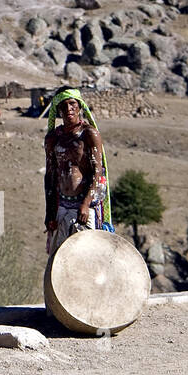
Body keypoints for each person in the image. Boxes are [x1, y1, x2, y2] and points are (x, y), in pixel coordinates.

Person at [44, 86, 114, 256]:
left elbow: (98, 172)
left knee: (88, 257)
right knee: (59, 260)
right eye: (64, 106)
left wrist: (86, 203)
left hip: (84, 207)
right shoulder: (53, 138)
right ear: (58, 110)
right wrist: (50, 213)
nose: (68, 109)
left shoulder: (89, 134)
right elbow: (50, 176)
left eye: (72, 104)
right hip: (62, 205)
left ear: (80, 106)